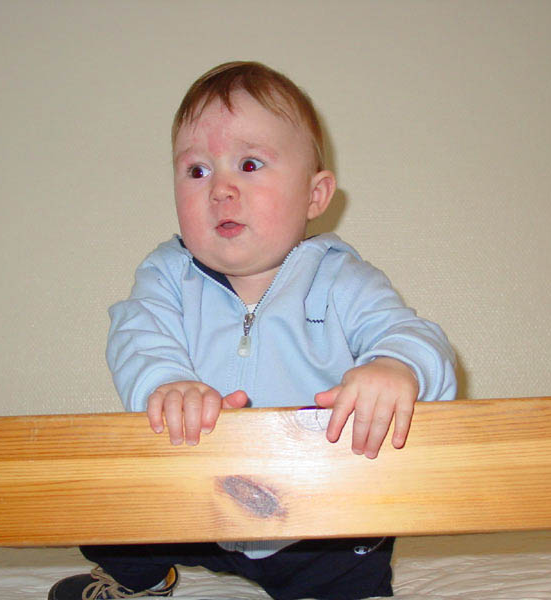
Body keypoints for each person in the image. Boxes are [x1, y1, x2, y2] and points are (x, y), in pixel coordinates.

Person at [49, 61, 456, 600]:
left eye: (249, 164)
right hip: (195, 499)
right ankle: (141, 580)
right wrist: (167, 383)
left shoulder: (342, 279)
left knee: (357, 548)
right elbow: (136, 334)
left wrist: (395, 367)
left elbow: (416, 337)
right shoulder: (168, 274)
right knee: (99, 492)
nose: (221, 188)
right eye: (197, 170)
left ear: (315, 195)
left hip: (318, 519)